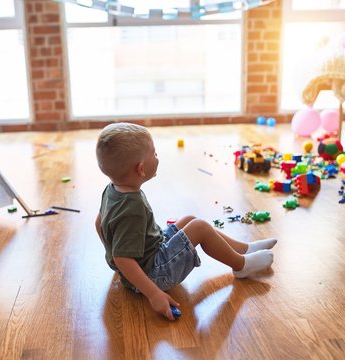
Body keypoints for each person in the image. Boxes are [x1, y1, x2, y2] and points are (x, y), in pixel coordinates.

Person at [95, 123, 276, 320]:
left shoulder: (112, 189)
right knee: (199, 228)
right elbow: (124, 258)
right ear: (140, 169)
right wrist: (153, 293)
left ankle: (243, 248)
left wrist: (113, 258)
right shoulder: (132, 206)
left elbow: (99, 223)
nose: (157, 157)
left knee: (190, 220)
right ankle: (241, 265)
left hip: (150, 253)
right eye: (154, 154)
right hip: (154, 273)